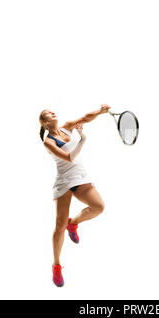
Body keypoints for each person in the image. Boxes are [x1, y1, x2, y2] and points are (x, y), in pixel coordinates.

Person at [39, 104, 110, 287]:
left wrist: (100, 112)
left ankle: (74, 223)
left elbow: (85, 118)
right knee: (59, 226)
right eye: (49, 113)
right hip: (64, 181)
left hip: (80, 176)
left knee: (99, 207)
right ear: (45, 122)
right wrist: (82, 140)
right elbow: (69, 158)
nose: (53, 112)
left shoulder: (67, 126)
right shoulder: (49, 142)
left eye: (52, 110)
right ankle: (56, 265)